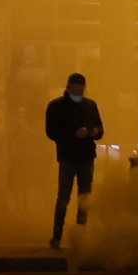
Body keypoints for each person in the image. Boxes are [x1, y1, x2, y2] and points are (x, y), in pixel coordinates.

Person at [45, 71, 106, 246]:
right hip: (67, 156)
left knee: (84, 197)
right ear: (69, 87)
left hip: (86, 156)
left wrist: (92, 132)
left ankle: (80, 235)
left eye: (81, 89)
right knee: (64, 197)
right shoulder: (57, 107)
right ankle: (57, 235)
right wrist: (73, 135)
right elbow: (51, 131)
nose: (79, 92)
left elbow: (100, 128)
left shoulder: (90, 106)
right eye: (76, 89)